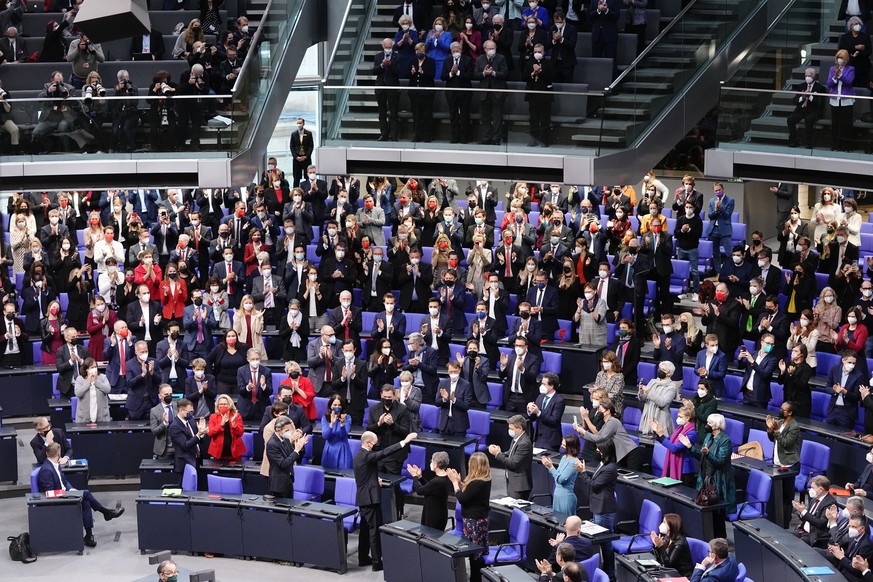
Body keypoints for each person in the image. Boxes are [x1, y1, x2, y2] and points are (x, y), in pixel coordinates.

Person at [37, 442, 124, 548]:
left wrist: (71, 489)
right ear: (59, 453)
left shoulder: (55, 464)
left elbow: (64, 481)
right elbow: (49, 493)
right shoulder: (46, 470)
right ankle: (106, 512)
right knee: (86, 493)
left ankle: (89, 535)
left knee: (86, 500)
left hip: (65, 494)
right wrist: (65, 493)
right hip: (58, 500)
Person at [355, 430, 418, 571]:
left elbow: (363, 475)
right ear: (368, 442)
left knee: (365, 530)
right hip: (370, 499)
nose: (377, 444)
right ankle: (377, 563)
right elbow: (384, 453)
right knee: (375, 530)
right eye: (375, 441)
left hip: (363, 497)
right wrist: (404, 441)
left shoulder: (359, 455)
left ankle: (363, 558)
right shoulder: (366, 455)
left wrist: (374, 479)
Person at [576, 441, 619, 580]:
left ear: (605, 451)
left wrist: (582, 472)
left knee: (605, 542)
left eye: (599, 450)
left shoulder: (610, 468)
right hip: (598, 507)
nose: (597, 452)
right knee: (601, 541)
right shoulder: (603, 464)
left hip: (604, 509)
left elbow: (594, 485)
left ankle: (610, 574)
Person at [448, 451, 492, 582]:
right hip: (475, 521)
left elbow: (462, 498)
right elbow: (470, 494)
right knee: (474, 554)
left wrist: (455, 484)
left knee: (475, 555)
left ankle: (476, 579)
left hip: (475, 523)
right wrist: (460, 482)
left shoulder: (478, 482)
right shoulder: (482, 480)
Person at [689, 413, 736, 515]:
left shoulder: (725, 440)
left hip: (718, 481)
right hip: (705, 478)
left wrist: (708, 453)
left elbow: (720, 462)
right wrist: (690, 447)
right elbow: (702, 456)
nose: (707, 425)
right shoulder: (708, 436)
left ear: (717, 426)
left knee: (717, 515)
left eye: (709, 423)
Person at [575, 398, 641, 469]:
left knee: (631, 477)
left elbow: (600, 438)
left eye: (600, 411)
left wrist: (583, 432)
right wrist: (581, 431)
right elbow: (597, 435)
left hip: (630, 453)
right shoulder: (606, 423)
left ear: (608, 411)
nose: (599, 413)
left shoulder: (613, 422)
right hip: (621, 454)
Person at [766, 401, 801, 527]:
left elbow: (786, 443)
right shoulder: (780, 422)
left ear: (790, 413)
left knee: (786, 495)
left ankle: (784, 522)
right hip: (777, 461)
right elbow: (773, 439)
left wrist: (775, 431)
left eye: (783, 410)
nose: (781, 411)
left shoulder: (794, 427)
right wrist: (770, 430)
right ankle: (774, 519)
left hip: (789, 464)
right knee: (776, 492)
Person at [366, 384, 411, 474]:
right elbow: (369, 430)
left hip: (395, 455)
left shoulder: (402, 409)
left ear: (394, 396)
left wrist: (392, 424)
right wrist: (379, 424)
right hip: (378, 453)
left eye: (389, 397)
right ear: (381, 395)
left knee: (392, 485)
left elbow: (406, 431)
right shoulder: (374, 408)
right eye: (384, 397)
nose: (387, 399)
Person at [488, 414, 533, 500]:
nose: (509, 431)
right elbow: (511, 452)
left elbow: (513, 464)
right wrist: (500, 452)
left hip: (520, 485)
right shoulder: (517, 438)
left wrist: (497, 454)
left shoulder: (524, 443)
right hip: (512, 481)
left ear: (520, 428)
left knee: (515, 510)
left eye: (511, 429)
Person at [651, 406, 697, 486]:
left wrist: (662, 436)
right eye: (678, 416)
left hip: (684, 469)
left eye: (680, 417)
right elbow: (670, 440)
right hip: (675, 464)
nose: (678, 419)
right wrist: (659, 433)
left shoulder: (692, 433)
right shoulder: (680, 428)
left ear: (688, 418)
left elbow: (675, 448)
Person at [407, 451, 453, 530]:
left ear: (436, 464)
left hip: (433, 517)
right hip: (438, 513)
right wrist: (420, 477)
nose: (431, 463)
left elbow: (419, 491)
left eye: (432, 461)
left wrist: (414, 476)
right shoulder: (445, 478)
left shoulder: (437, 481)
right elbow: (429, 488)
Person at [265, 416, 309, 499]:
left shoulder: (285, 439)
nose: (289, 432)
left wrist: (299, 446)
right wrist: (296, 450)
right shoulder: (272, 444)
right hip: (278, 485)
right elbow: (284, 464)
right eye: (287, 430)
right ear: (278, 430)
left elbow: (292, 456)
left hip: (288, 481)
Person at [475, 40, 509, 145]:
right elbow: (476, 75)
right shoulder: (479, 59)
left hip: (497, 92)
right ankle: (486, 138)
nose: (491, 51)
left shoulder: (501, 58)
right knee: (485, 117)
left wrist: (493, 73)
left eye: (493, 48)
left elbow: (505, 73)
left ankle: (496, 139)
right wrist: (484, 73)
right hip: (484, 93)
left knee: (497, 117)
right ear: (485, 49)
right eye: (489, 49)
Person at [793, 474, 838, 548]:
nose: (810, 490)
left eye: (813, 487)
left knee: (794, 546)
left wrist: (804, 512)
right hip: (803, 530)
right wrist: (801, 511)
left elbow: (820, 523)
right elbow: (807, 517)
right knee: (785, 537)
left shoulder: (830, 503)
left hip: (813, 535)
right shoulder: (814, 499)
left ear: (820, 489)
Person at [787, 67, 827, 148]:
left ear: (814, 76)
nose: (807, 77)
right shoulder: (801, 86)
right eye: (806, 75)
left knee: (809, 120)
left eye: (810, 75)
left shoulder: (820, 88)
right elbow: (795, 101)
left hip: (813, 110)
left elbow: (819, 103)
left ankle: (809, 143)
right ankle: (794, 141)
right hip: (801, 109)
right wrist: (802, 97)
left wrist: (810, 96)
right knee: (790, 119)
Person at [826, 514, 873, 582]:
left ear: (862, 528)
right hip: (843, 571)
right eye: (849, 526)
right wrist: (837, 551)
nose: (850, 529)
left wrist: (841, 557)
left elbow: (857, 571)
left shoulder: (866, 546)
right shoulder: (853, 538)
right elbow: (848, 557)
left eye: (853, 527)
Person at [541, 433, 580, 515]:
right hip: (557, 495)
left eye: (564, 445)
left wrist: (551, 467)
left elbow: (561, 479)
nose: (561, 447)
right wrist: (549, 466)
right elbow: (557, 476)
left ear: (570, 447)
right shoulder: (563, 458)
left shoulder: (574, 462)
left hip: (566, 497)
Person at [738, 333, 780, 408]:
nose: (769, 346)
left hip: (760, 396)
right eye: (768, 343)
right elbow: (740, 367)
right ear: (762, 342)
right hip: (747, 393)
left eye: (772, 344)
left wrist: (753, 362)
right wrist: (740, 358)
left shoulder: (773, 359)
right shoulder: (753, 353)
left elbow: (765, 374)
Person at [528, 372, 566, 451]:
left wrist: (538, 412)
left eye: (544, 384)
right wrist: (530, 411)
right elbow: (534, 417)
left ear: (551, 386)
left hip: (551, 440)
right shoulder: (540, 396)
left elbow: (554, 420)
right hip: (538, 438)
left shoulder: (559, 401)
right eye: (542, 383)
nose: (542, 386)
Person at [638, 361, 679, 435]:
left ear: (669, 373)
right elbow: (643, 399)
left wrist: (649, 392)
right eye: (660, 369)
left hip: (661, 419)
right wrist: (641, 392)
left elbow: (662, 403)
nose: (660, 371)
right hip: (648, 416)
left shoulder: (672, 387)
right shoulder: (653, 381)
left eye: (663, 370)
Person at [372, 38, 400, 141]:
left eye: (390, 47)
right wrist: (382, 65)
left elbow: (398, 72)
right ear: (383, 46)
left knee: (393, 112)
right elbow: (374, 71)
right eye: (386, 47)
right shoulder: (378, 56)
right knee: (382, 112)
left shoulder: (397, 56)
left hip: (392, 87)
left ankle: (394, 135)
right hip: (381, 87)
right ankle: (384, 134)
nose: (388, 49)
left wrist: (390, 64)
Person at [826, 350, 863, 428]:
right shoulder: (834, 369)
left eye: (854, 363)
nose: (852, 365)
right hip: (833, 409)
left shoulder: (858, 375)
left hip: (847, 412)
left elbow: (857, 396)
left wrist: (846, 392)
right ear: (843, 360)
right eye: (849, 362)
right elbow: (828, 387)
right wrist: (834, 391)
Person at [436, 360, 474, 435]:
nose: (453, 374)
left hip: (459, 425)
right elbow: (437, 402)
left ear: (459, 370)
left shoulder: (466, 385)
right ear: (448, 371)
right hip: (444, 424)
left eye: (455, 371)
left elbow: (467, 405)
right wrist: (445, 399)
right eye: (451, 372)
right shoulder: (443, 383)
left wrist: (454, 400)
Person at [827, 49, 855, 151]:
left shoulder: (851, 69)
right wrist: (835, 76)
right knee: (835, 123)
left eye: (841, 57)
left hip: (846, 100)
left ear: (846, 59)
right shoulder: (832, 69)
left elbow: (849, 82)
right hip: (835, 99)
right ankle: (835, 145)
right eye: (838, 57)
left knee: (846, 124)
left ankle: (847, 146)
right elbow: (829, 84)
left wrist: (840, 75)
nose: (839, 59)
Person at [206, 329, 249, 394]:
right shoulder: (219, 348)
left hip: (240, 381)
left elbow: (249, 359)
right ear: (225, 338)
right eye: (228, 336)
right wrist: (211, 375)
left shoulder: (243, 347)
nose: (231, 338)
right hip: (222, 381)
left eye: (233, 336)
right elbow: (208, 360)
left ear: (237, 337)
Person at [651, 513, 694, 577]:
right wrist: (656, 546)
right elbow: (661, 559)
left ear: (671, 525)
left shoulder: (680, 543)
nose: (662, 524)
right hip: (669, 571)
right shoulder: (667, 537)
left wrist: (660, 546)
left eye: (664, 522)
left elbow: (669, 564)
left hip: (681, 575)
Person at [236, 347, 273, 422]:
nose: (255, 361)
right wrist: (248, 388)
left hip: (262, 408)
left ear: (260, 358)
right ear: (248, 359)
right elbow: (240, 390)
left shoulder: (266, 371)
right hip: (245, 408)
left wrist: (263, 386)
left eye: (257, 359)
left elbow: (270, 391)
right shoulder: (241, 371)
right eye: (253, 359)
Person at [207, 394, 246, 461]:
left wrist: (234, 425)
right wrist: (221, 424)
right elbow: (210, 433)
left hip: (235, 452)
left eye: (225, 404)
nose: (223, 406)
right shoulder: (213, 417)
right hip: (218, 453)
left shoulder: (236, 416)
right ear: (217, 406)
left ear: (229, 405)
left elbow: (240, 433)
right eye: (221, 404)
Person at [55, 326, 90, 399]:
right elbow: (59, 368)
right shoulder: (61, 351)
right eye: (73, 337)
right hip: (67, 387)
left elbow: (91, 365)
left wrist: (81, 361)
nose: (75, 338)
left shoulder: (84, 349)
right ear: (66, 338)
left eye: (76, 336)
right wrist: (70, 361)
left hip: (82, 385)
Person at [321, 393, 353, 469]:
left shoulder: (347, 418)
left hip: (342, 449)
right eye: (335, 405)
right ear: (330, 406)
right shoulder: (325, 418)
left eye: (339, 405)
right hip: (329, 449)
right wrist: (332, 423)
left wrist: (342, 424)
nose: (337, 407)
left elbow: (343, 436)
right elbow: (325, 436)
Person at [150, 384, 177, 461]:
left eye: (171, 394)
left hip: (178, 448)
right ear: (160, 396)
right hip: (164, 450)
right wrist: (164, 423)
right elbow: (154, 431)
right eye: (166, 394)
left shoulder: (178, 407)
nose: (169, 396)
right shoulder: (154, 411)